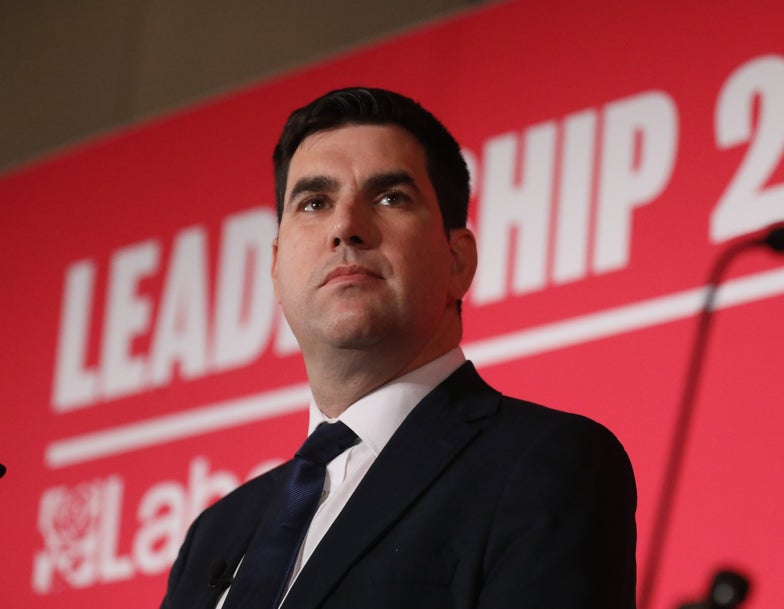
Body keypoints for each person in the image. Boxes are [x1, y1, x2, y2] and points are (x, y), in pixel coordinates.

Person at [160, 87, 637, 609]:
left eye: (391, 198)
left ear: (458, 260)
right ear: (275, 269)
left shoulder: (544, 463)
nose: (345, 227)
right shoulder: (214, 532)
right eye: (314, 203)